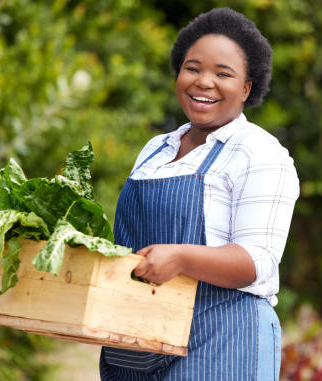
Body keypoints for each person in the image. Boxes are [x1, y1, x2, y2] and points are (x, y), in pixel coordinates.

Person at [99, 7, 299, 381]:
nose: (204, 82)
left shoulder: (259, 152)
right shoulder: (156, 149)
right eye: (193, 68)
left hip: (223, 343)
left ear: (246, 88)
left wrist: (180, 258)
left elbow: (257, 261)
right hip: (138, 339)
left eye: (223, 74)